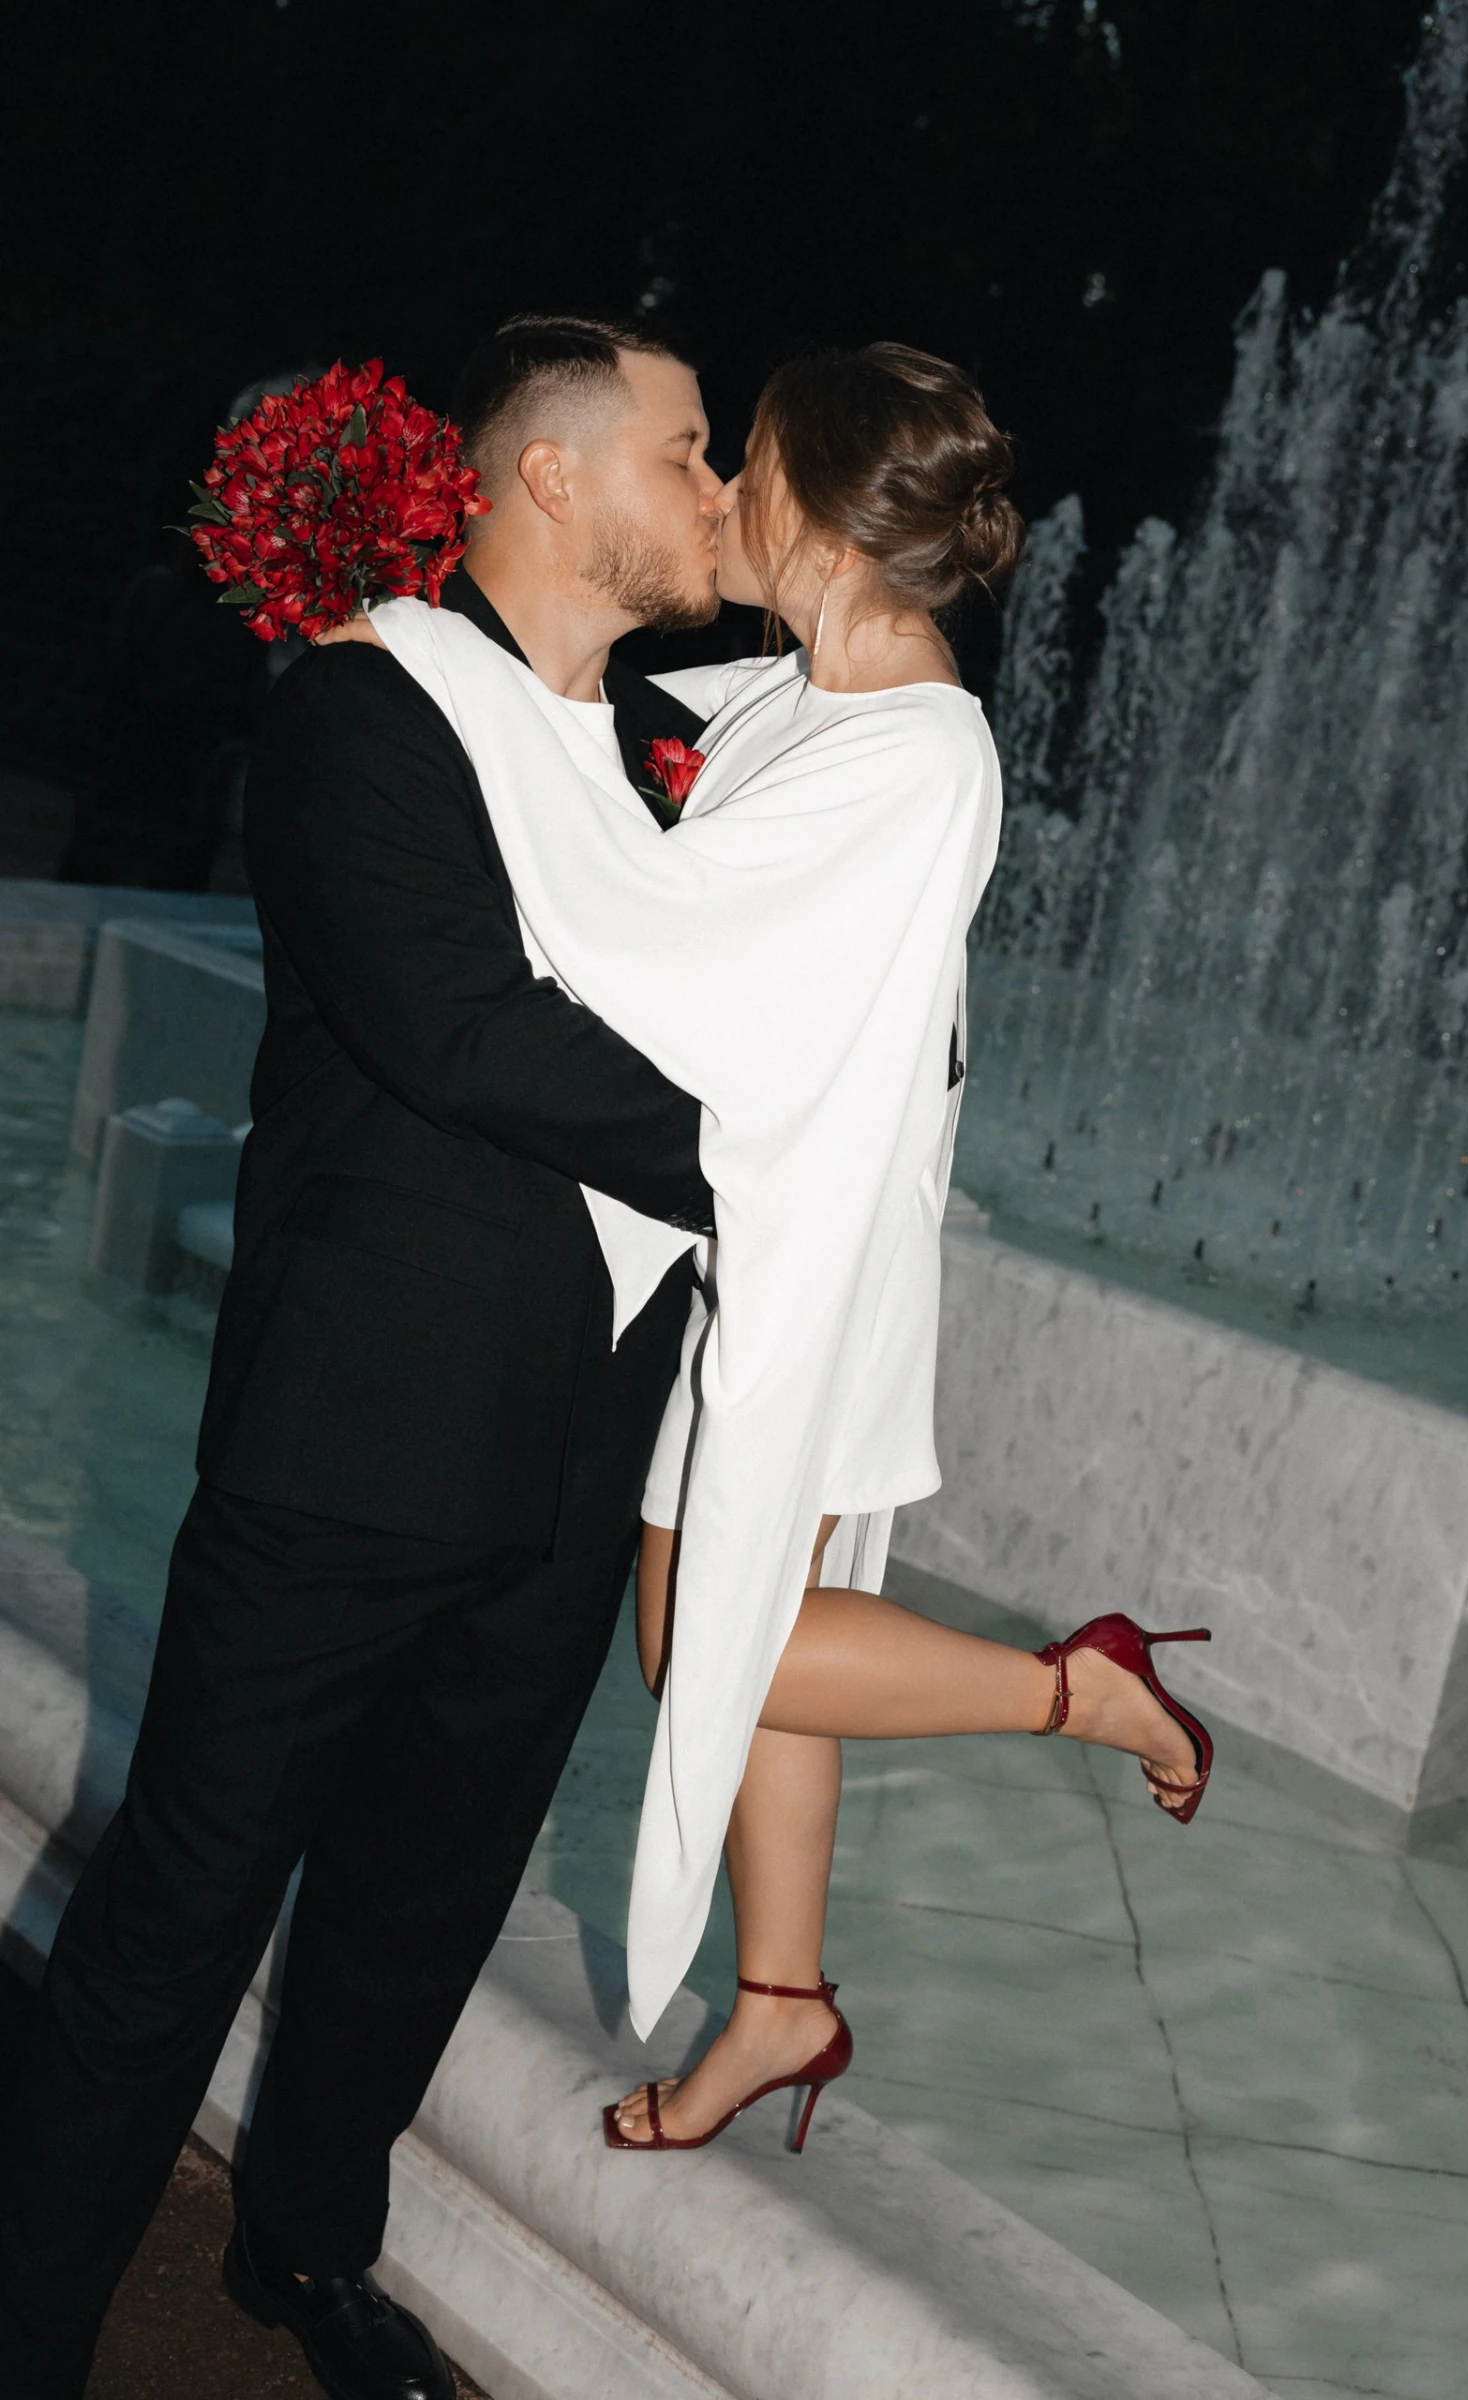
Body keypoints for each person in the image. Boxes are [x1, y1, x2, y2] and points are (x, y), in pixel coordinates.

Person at [341, 342, 1217, 2158]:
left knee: (707, 1638)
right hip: (778, 1228)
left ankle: (1081, 1688)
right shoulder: (816, 692)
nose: (720, 497)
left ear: (820, 523)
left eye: (743, 467)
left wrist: (426, 664)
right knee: (760, 1607)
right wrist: (468, 629)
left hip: (819, 1259)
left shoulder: (917, 752)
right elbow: (615, 750)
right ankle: (783, 2002)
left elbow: (648, 926)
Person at [0, 314, 727, 2400]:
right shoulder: (362, 708)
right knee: (182, 1910)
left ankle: (304, 2248)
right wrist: (785, 1148)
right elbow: (460, 1033)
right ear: (551, 475)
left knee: (423, 1905)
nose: (714, 490)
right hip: (357, 1439)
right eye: (684, 450)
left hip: (573, 1453)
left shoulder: (674, 744)